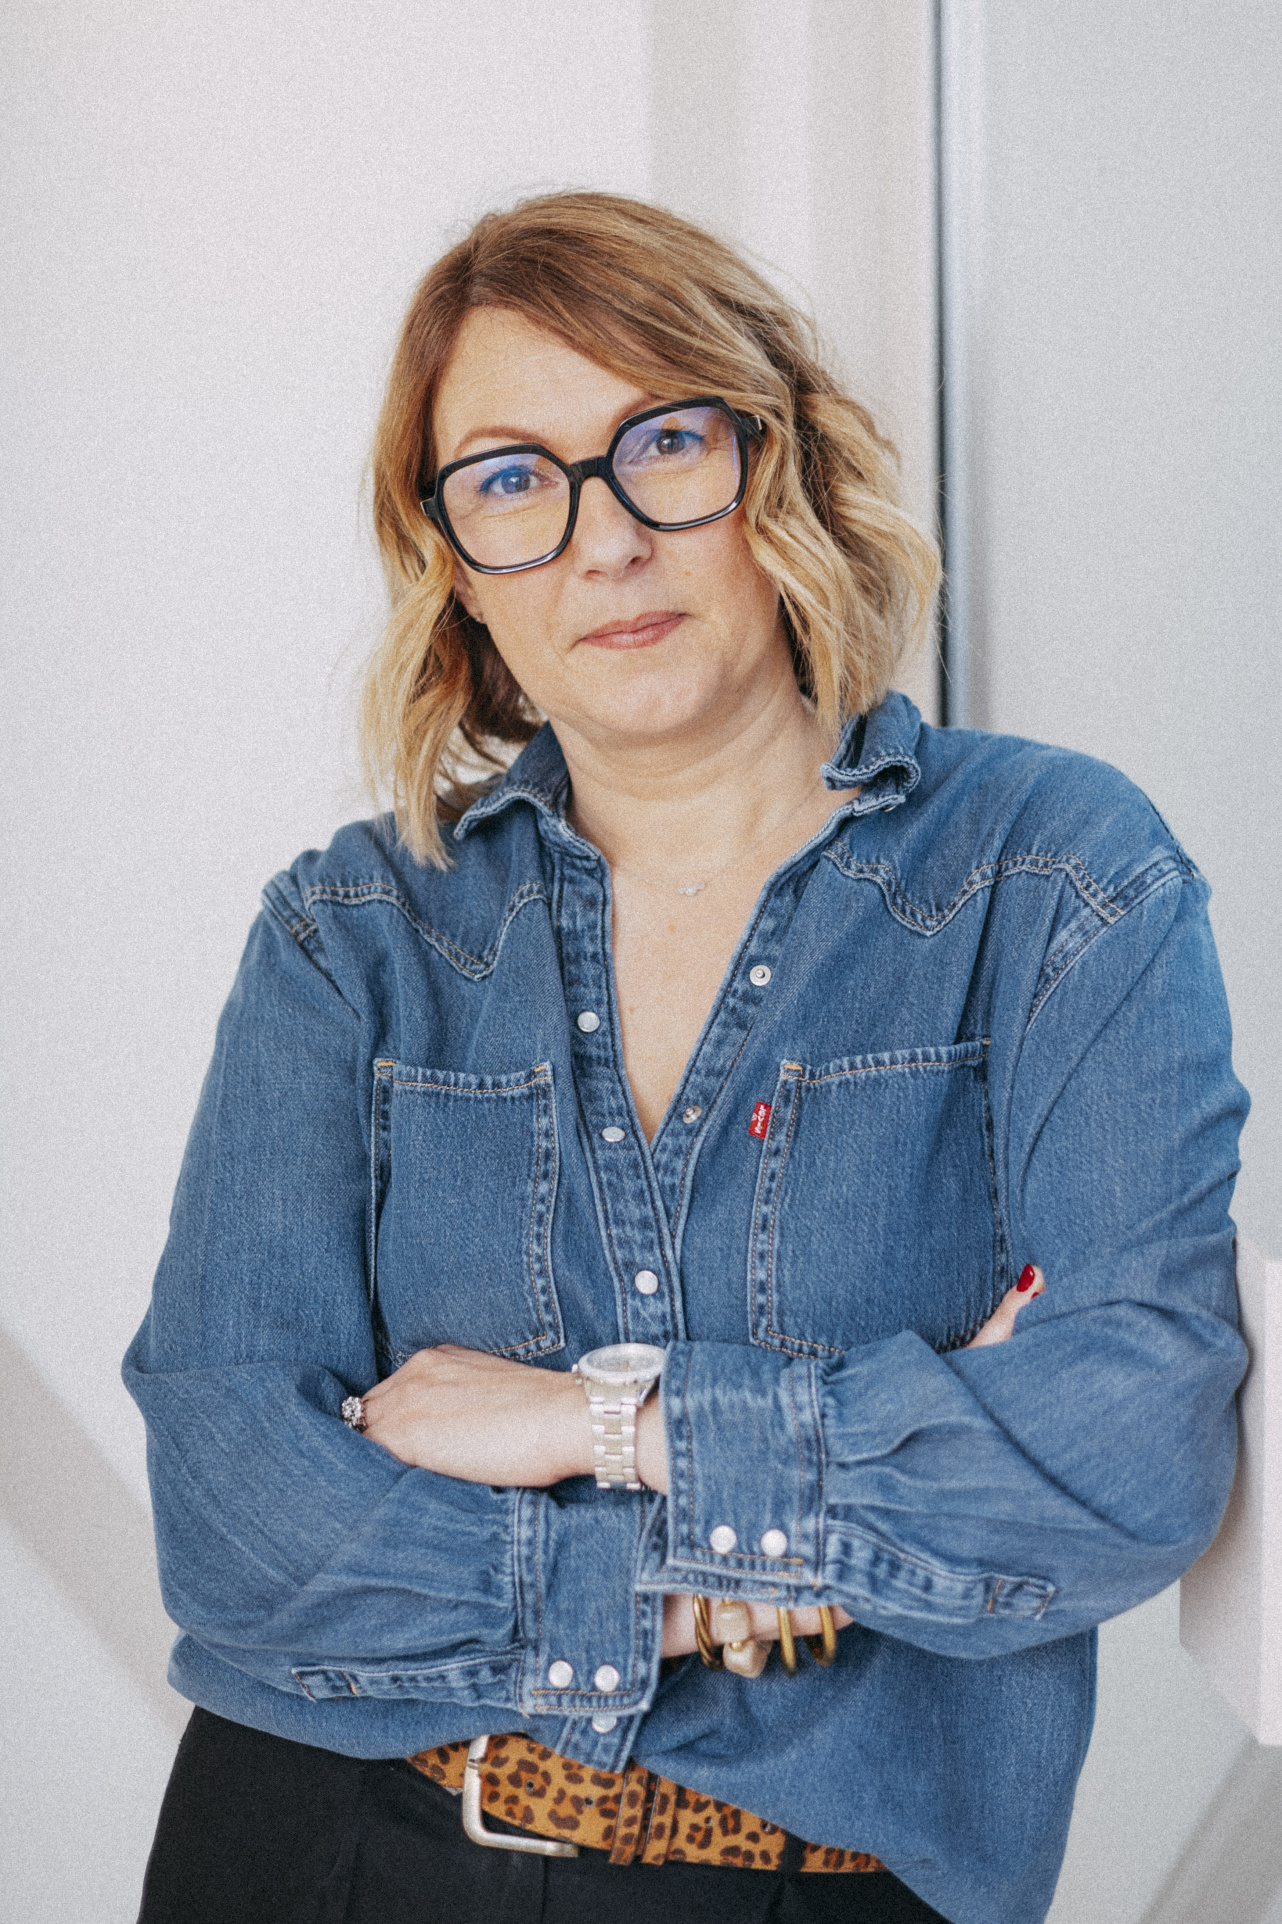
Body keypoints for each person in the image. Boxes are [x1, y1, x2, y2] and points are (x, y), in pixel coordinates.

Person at [124, 191, 1248, 1924]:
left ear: (777, 465)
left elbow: (1127, 1448)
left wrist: (588, 1422)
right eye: (512, 479)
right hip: (319, 1849)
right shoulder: (354, 932)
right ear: (454, 562)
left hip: (816, 1889)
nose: (604, 542)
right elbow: (233, 1509)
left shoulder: (1050, 875)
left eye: (663, 444)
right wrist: (733, 1576)